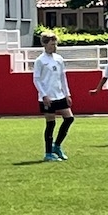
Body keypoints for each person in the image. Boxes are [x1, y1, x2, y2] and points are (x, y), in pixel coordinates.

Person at [33, 31, 74, 161]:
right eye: (52, 44)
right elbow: (36, 79)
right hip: (47, 97)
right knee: (51, 124)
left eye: (55, 44)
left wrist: (67, 94)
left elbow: (63, 77)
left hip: (59, 95)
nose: (54, 46)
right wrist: (44, 95)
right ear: (45, 44)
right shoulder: (40, 60)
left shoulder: (59, 59)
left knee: (69, 118)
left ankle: (57, 146)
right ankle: (48, 153)